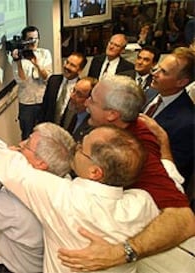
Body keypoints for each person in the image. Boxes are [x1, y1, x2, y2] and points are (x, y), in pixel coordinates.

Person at [0, 83, 161, 273]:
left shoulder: (62, 198)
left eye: (81, 148)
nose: (75, 148)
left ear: (95, 172)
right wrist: (128, 251)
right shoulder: (144, 202)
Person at [57, 75, 194, 272]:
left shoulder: (137, 150)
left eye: (92, 100)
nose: (86, 102)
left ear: (112, 114)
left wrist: (124, 252)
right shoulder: (117, 128)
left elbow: (184, 219)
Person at [0, 122, 75, 273]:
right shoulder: (65, 182)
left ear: (41, 163)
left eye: (27, 144)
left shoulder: (15, 204)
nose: (20, 144)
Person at [143, 46, 194, 188]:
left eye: (163, 72)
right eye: (158, 68)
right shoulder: (150, 93)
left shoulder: (188, 122)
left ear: (181, 82)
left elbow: (173, 172)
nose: (154, 73)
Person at [11, 25, 52, 140]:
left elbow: (47, 78)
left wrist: (37, 64)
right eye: (30, 39)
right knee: (27, 135)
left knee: (44, 135)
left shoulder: (45, 54)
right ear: (24, 40)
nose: (33, 42)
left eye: (36, 38)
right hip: (27, 103)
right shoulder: (18, 58)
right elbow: (22, 82)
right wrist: (18, 62)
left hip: (43, 100)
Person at [41, 52, 87, 126]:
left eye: (72, 65)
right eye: (67, 62)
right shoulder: (53, 80)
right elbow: (44, 108)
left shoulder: (81, 88)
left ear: (80, 70)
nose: (67, 67)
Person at [65, 77, 97, 141]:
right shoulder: (73, 113)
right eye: (73, 90)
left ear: (89, 100)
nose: (71, 96)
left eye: (79, 94)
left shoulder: (93, 124)